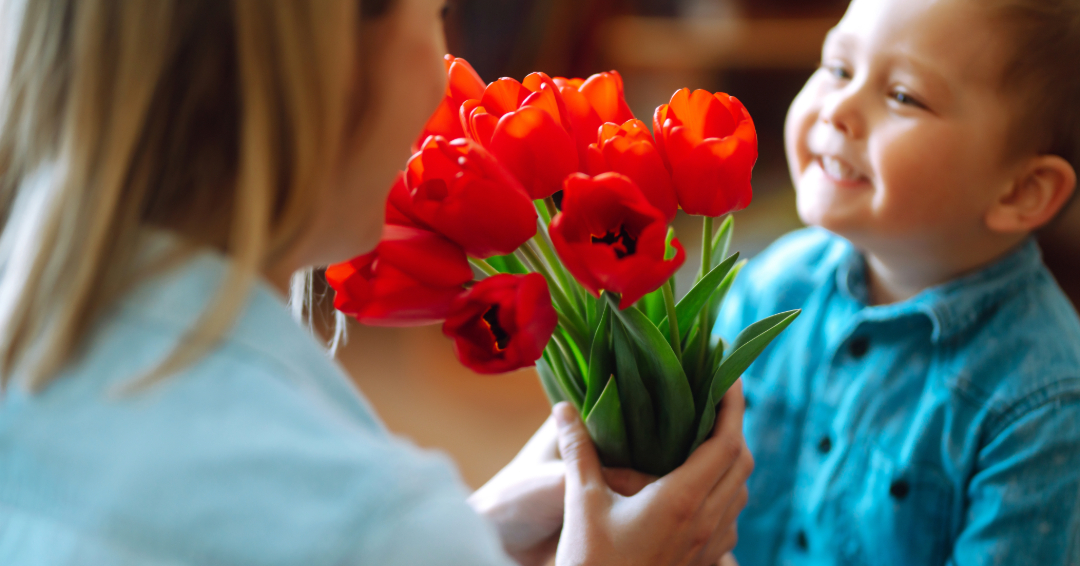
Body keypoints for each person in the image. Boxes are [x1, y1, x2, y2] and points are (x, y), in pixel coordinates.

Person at [0, 0, 755, 564]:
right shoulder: (370, 515)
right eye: (436, 14)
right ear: (331, 70)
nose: (443, 72)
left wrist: (473, 533)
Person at [714, 0, 1080, 564]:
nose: (838, 108)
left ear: (1020, 192)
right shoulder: (773, 285)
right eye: (838, 68)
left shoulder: (1041, 401)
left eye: (903, 96)